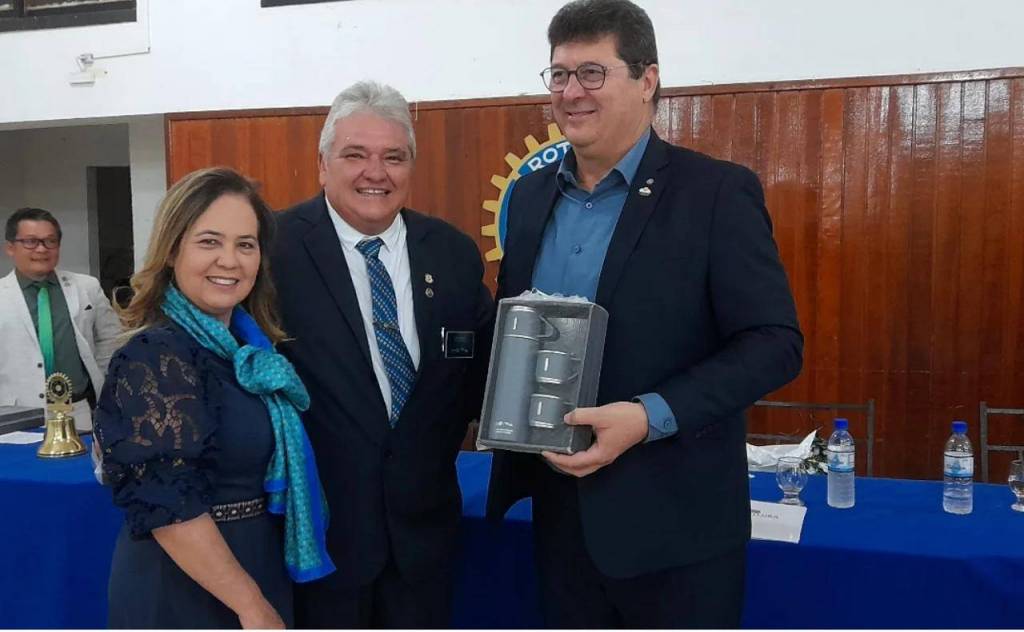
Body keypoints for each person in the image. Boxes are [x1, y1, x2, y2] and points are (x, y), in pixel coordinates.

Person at [486, 0, 804, 627]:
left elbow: (774, 343)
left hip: (677, 533)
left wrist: (648, 416)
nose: (571, 93)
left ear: (647, 79)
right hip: (559, 519)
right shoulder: (528, 197)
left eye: (592, 73)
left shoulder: (715, 193)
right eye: (559, 74)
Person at [272, 81, 494, 628]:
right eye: (355, 155)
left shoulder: (453, 253)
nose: (376, 172)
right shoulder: (273, 250)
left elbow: (481, 375)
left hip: (424, 544)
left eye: (394, 157)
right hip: (318, 544)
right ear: (322, 165)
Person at [93, 167, 334, 629]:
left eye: (246, 245)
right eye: (209, 242)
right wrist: (251, 605)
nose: (230, 260)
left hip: (256, 562)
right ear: (171, 251)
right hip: (185, 585)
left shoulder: (251, 353)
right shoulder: (156, 356)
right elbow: (168, 504)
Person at [0, 207, 121, 431]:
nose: (41, 249)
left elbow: (111, 340)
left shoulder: (86, 286)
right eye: (30, 242)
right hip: (19, 415)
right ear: (10, 247)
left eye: (50, 241)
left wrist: (103, 380)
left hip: (80, 409)